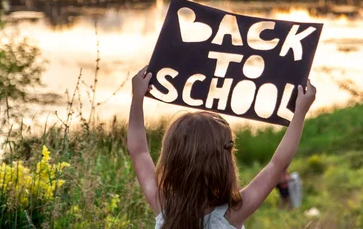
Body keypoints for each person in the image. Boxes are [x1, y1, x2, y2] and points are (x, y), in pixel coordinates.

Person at [127, 65, 316, 229]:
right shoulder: (232, 214)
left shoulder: (164, 206)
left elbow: (139, 152)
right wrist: (299, 112)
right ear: (222, 162)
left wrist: (137, 98)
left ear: (172, 158)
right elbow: (277, 165)